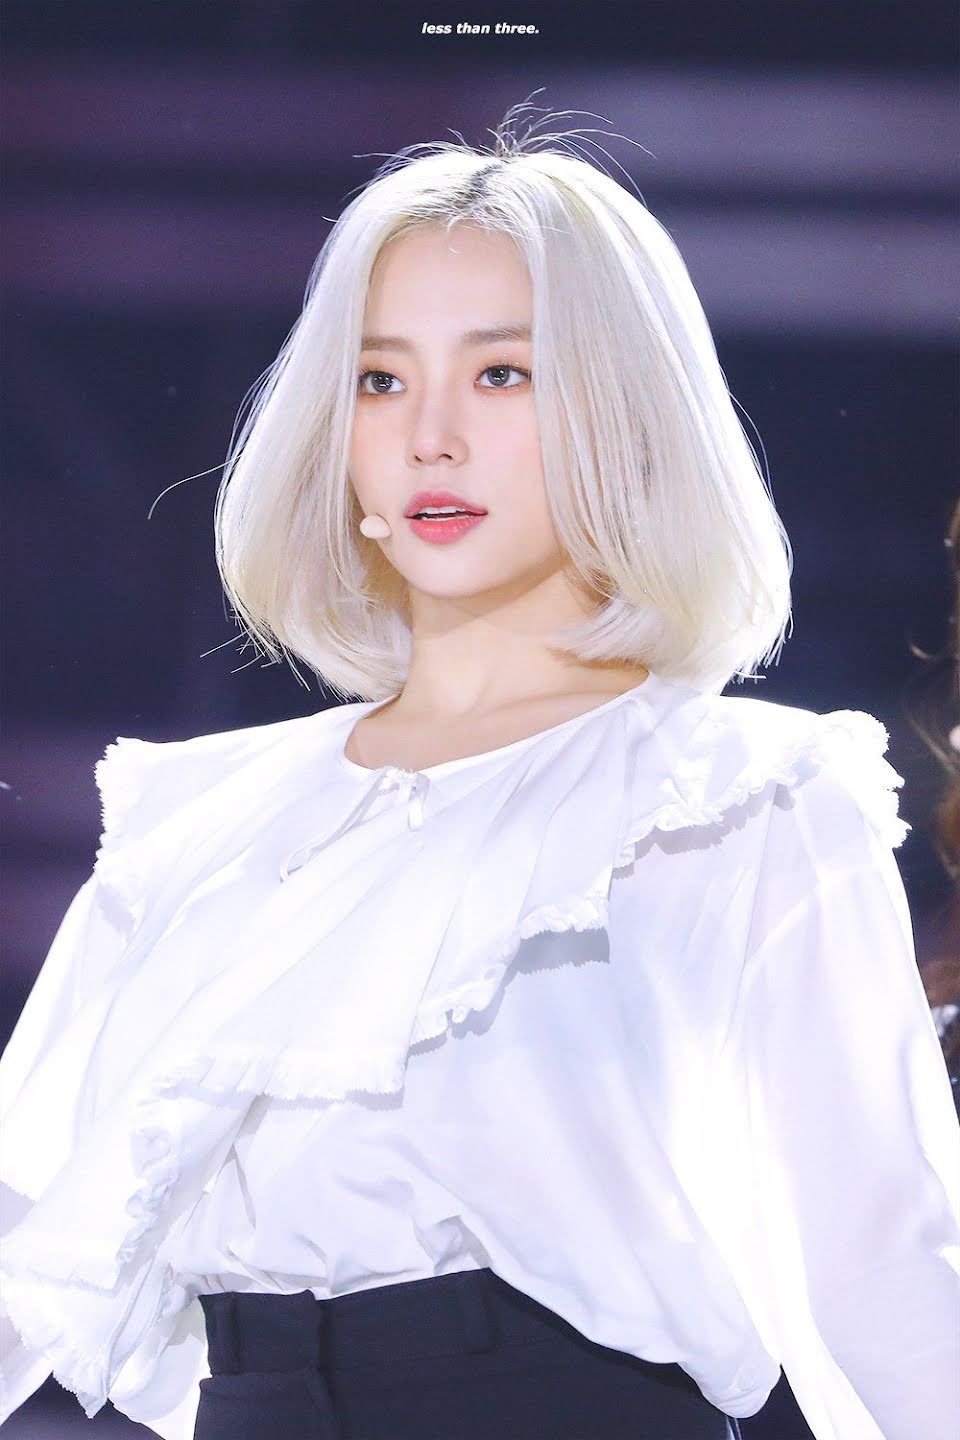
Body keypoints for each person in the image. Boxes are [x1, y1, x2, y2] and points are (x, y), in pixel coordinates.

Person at [2, 114, 958, 1440]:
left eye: (502, 373)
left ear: (622, 413)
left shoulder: (740, 795)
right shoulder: (210, 820)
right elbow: (24, 1221)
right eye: (380, 380)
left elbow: (884, 1262)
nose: (430, 436)